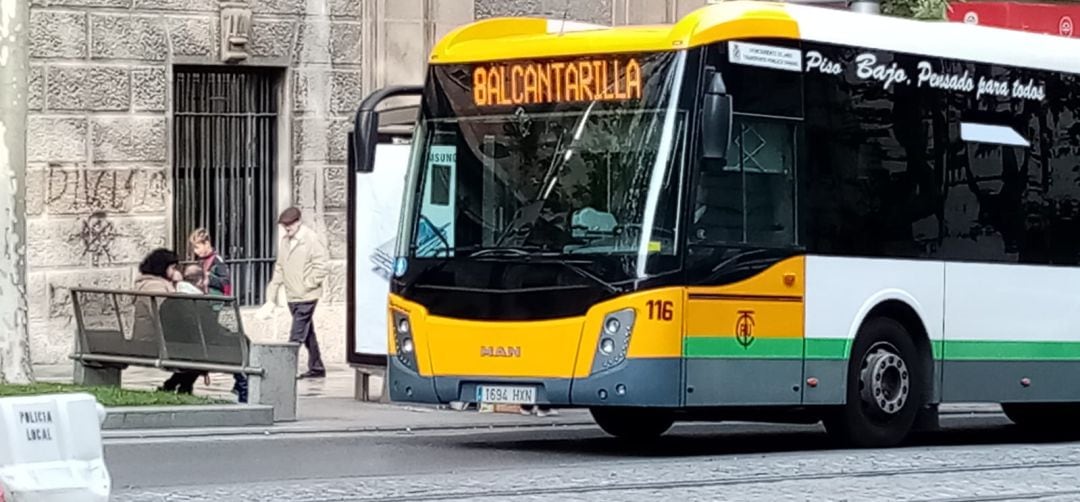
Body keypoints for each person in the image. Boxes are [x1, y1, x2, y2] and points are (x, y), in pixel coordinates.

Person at [260, 207, 329, 379]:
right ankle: (317, 367)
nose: (287, 229)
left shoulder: (311, 239)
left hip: (307, 295)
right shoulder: (285, 241)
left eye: (289, 225)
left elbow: (321, 266)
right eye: (284, 226)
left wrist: (308, 284)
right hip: (292, 295)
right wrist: (272, 292)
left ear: (298, 222)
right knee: (308, 333)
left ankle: (287, 368)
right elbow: (280, 267)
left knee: (296, 335)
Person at [189, 228, 232, 297]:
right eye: (193, 248)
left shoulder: (217, 260)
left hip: (216, 300)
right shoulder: (200, 261)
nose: (195, 251)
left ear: (207, 243)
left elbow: (226, 283)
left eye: (197, 247)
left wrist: (210, 279)